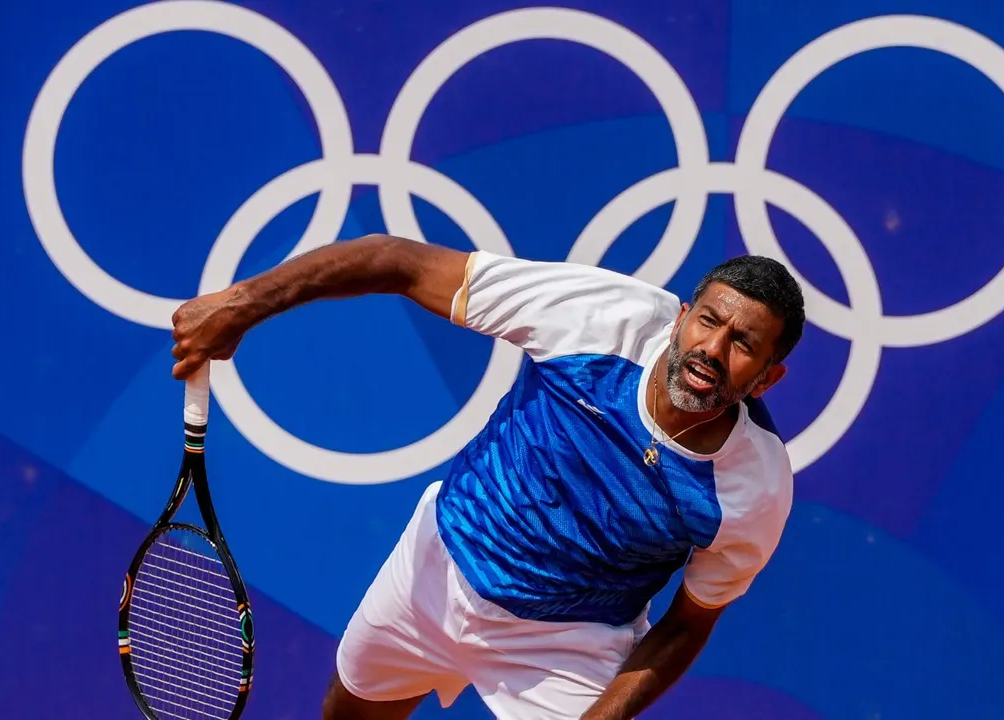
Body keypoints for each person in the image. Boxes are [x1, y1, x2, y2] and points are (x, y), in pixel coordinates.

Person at [170, 233, 805, 719]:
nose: (713, 352)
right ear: (682, 316)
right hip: (438, 565)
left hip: (569, 641)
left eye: (744, 345)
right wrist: (243, 303)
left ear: (767, 377)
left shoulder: (754, 487)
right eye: (709, 322)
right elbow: (399, 261)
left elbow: (685, 626)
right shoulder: (600, 318)